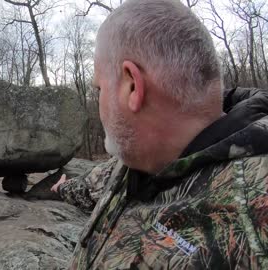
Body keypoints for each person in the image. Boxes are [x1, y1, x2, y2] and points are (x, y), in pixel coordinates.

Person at [66, 0, 268, 269]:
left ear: (132, 86)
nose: (99, 99)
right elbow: (96, 182)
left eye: (99, 89)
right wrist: (62, 187)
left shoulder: (256, 215)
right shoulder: (140, 160)